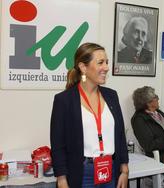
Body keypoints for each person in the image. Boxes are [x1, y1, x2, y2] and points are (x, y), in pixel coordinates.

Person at [50, 43, 129, 188]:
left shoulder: (111, 96)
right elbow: (57, 145)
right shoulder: (64, 100)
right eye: (100, 63)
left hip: (111, 169)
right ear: (83, 67)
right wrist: (61, 180)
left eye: (106, 62)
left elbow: (120, 136)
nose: (106, 67)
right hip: (82, 173)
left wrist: (124, 170)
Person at [131, 86, 164, 164]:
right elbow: (149, 145)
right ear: (148, 102)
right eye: (155, 97)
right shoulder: (139, 119)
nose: (158, 99)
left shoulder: (158, 112)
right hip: (163, 154)